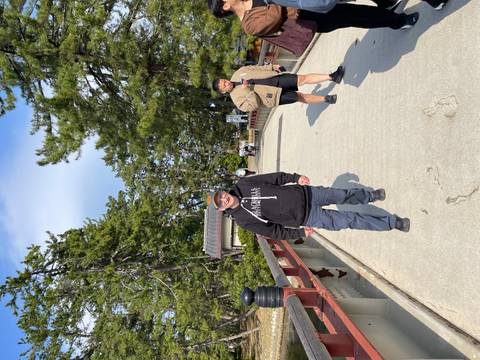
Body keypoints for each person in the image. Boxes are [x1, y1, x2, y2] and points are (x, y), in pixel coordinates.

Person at [211, 172, 410, 240]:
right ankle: (392, 222)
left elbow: (273, 178)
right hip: (308, 218)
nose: (223, 199)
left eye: (221, 195)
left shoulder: (243, 184)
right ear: (221, 209)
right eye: (220, 202)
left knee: (343, 195)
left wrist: (295, 177)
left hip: (309, 193)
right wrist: (299, 234)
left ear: (223, 192)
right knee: (350, 220)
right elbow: (275, 232)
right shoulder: (243, 221)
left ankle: (369, 195)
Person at [212, 63, 343, 112]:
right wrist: (247, 90)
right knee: (300, 97)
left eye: (225, 80)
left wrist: (271, 67)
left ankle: (332, 77)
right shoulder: (237, 99)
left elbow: (256, 68)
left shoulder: (238, 73)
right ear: (223, 91)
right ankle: (326, 99)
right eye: (224, 85)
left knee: (302, 78)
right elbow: (253, 106)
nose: (227, 83)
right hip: (273, 96)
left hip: (275, 79)